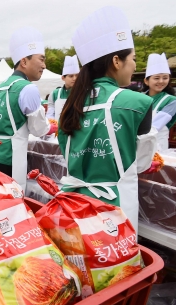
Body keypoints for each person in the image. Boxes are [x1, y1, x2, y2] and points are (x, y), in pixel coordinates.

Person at [58, 6, 157, 230]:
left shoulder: (70, 106)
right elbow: (141, 163)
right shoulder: (138, 103)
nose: (134, 65)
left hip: (76, 205)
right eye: (133, 58)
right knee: (116, 261)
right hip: (117, 207)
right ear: (116, 61)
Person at [0, 26, 55, 189]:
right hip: (8, 159)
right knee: (8, 208)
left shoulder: (1, 87)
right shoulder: (28, 88)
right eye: (41, 59)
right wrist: (54, 126)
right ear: (24, 61)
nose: (44, 65)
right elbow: (39, 130)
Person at [143, 53, 176, 152]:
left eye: (165, 78)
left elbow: (155, 126)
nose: (161, 81)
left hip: (157, 146)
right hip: (137, 143)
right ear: (146, 81)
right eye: (156, 78)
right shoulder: (139, 97)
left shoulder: (171, 101)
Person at [47, 55, 80, 121]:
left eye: (77, 75)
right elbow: (50, 113)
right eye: (71, 76)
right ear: (63, 78)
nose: (74, 78)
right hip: (58, 129)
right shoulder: (55, 94)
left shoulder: (83, 92)